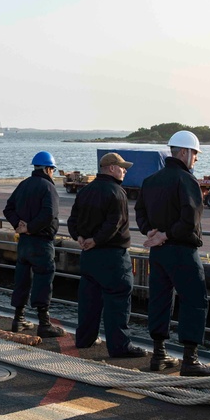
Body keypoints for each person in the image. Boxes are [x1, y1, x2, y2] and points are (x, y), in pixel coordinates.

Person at [134, 131, 210, 376]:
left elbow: (139, 213)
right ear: (184, 152)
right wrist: (167, 235)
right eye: (195, 154)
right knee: (194, 301)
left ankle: (158, 355)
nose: (196, 159)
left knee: (159, 301)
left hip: (158, 254)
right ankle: (190, 361)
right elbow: (190, 219)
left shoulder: (150, 181)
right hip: (182, 251)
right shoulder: (186, 180)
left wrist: (152, 232)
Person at [67, 152, 147, 358]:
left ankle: (84, 339)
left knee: (89, 301)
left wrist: (80, 238)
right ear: (111, 168)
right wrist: (96, 240)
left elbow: (72, 220)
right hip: (112, 256)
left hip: (89, 256)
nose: (125, 170)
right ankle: (119, 346)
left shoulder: (85, 191)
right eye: (122, 167)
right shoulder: (117, 192)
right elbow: (115, 223)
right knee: (117, 301)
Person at [4, 151, 65, 337]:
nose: (53, 173)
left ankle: (18, 319)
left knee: (22, 280)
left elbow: (8, 208)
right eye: (52, 169)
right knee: (43, 280)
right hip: (41, 242)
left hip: (24, 244)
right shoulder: (48, 187)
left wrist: (19, 226)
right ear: (47, 169)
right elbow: (49, 214)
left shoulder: (23, 185)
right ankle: (44, 323)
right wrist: (31, 227)